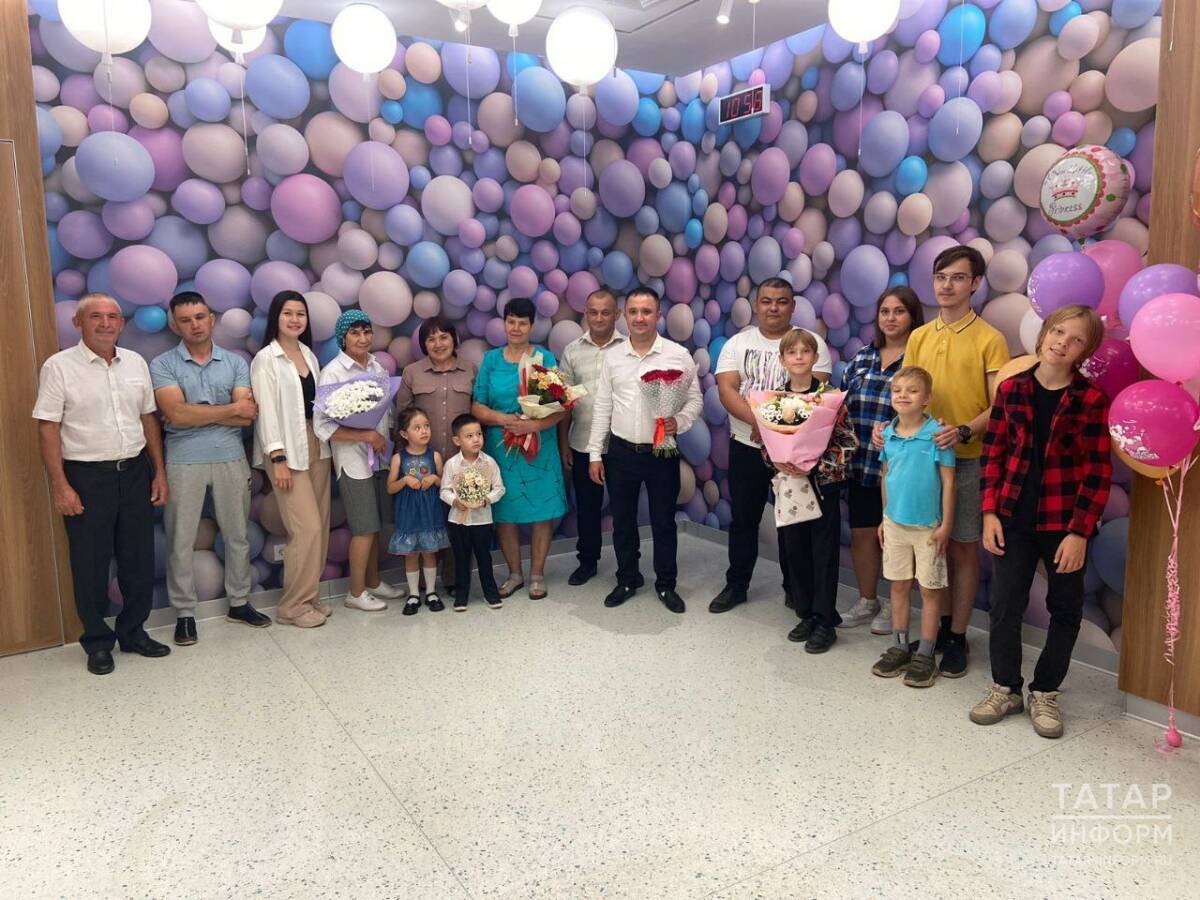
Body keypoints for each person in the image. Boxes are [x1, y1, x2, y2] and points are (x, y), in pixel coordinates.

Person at [971, 306, 1110, 739]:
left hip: (1064, 523)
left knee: (1065, 608)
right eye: (1058, 332)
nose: (1062, 343)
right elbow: (993, 454)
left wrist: (1079, 532)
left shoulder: (1090, 399)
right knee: (1005, 605)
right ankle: (1005, 687)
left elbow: (1097, 471)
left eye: (1076, 339)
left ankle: (1045, 691)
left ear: (1085, 351)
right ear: (1045, 333)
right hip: (1012, 517)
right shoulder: (1011, 390)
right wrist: (989, 512)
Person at [880, 245, 1010, 677]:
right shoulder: (919, 337)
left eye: (957, 277)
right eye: (940, 277)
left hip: (966, 459)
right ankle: (928, 635)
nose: (947, 285)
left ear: (976, 283)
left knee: (962, 547)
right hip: (917, 460)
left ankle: (956, 636)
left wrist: (965, 430)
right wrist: (889, 428)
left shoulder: (990, 339)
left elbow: (999, 406)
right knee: (928, 547)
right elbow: (908, 392)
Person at [33, 293, 171, 675]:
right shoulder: (59, 367)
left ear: (121, 324)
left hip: (135, 472)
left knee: (138, 559)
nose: (106, 323)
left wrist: (159, 472)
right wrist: (60, 485)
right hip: (86, 477)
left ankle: (133, 632)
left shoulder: (136, 363)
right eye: (96, 316)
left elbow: (148, 419)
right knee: (90, 564)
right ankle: (96, 641)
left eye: (112, 317)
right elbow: (48, 428)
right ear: (78, 323)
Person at [151, 291, 270, 647]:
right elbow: (175, 413)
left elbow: (247, 414)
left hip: (230, 457)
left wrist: (195, 412)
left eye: (200, 317)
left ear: (212, 319)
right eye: (185, 320)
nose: (195, 325)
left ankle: (239, 603)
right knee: (180, 539)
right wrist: (227, 410)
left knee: (237, 535)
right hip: (182, 460)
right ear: (175, 325)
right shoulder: (163, 364)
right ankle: (185, 615)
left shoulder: (234, 363)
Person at [710, 277, 831, 614]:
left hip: (793, 453)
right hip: (746, 446)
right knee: (743, 519)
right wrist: (760, 425)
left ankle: (795, 590)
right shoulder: (738, 343)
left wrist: (773, 432)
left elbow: (816, 394)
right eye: (766, 301)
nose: (773, 308)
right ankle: (737, 585)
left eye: (781, 301)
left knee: (792, 523)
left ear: (792, 306)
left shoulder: (811, 343)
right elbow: (727, 390)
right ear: (756, 305)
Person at [587, 287, 702, 614]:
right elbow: (603, 407)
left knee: (663, 521)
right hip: (621, 452)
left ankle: (666, 584)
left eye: (646, 311)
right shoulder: (613, 357)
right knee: (622, 521)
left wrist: (679, 422)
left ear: (658, 316)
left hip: (662, 452)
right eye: (634, 312)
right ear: (625, 316)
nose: (640, 318)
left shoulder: (677, 355)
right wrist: (595, 454)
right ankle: (627, 578)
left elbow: (695, 399)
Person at [471, 297, 568, 600]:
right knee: (505, 511)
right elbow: (477, 406)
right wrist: (505, 419)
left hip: (540, 447)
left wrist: (534, 425)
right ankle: (514, 574)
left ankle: (537, 574)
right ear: (504, 323)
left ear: (531, 326)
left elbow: (561, 408)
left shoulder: (545, 358)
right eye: (511, 321)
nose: (515, 328)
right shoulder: (491, 360)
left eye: (522, 323)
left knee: (542, 510)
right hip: (501, 448)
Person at [840, 287, 924, 635]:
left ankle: (895, 602)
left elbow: (927, 410)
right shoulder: (863, 356)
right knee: (862, 533)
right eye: (885, 311)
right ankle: (867, 599)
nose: (890, 318)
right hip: (862, 462)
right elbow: (842, 403)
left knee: (897, 537)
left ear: (913, 317)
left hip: (901, 468)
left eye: (899, 311)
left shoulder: (919, 360)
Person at [312, 310, 405, 612]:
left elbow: (386, 412)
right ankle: (355, 592)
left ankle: (373, 582)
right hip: (353, 462)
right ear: (343, 338)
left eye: (366, 332)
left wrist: (388, 438)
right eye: (355, 333)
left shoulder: (378, 367)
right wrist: (365, 435)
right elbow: (322, 427)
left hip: (380, 458)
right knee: (363, 528)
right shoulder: (333, 372)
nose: (362, 339)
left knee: (376, 527)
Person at [772, 329, 857, 652]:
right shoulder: (774, 400)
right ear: (782, 359)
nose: (798, 357)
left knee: (823, 553)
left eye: (805, 352)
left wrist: (817, 466)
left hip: (823, 486)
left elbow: (848, 442)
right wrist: (777, 461)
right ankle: (806, 612)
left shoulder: (830, 398)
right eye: (791, 352)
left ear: (815, 358)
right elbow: (767, 440)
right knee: (794, 550)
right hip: (790, 487)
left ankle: (824, 620)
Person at [251, 290, 332, 629]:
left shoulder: (308, 354)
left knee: (320, 527)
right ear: (276, 317)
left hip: (317, 445)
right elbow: (266, 412)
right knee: (305, 529)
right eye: (288, 313)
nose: (295, 319)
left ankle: (309, 596)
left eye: (300, 314)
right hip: (286, 451)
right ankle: (292, 606)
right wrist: (277, 457)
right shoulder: (266, 359)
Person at [871, 366, 956, 688]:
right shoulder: (888, 435)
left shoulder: (938, 436)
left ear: (927, 399)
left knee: (930, 591)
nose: (903, 395)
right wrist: (884, 517)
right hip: (894, 525)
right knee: (898, 587)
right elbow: (886, 476)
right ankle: (899, 646)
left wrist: (946, 525)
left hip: (928, 529)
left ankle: (925, 653)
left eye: (912, 390)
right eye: (897, 390)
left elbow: (949, 483)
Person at [396, 317, 477, 591]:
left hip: (461, 464)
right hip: (422, 467)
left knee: (460, 523)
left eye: (444, 337)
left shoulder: (470, 370)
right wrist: (404, 462)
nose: (438, 343)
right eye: (431, 339)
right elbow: (402, 418)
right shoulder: (412, 373)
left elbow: (478, 417)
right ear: (423, 344)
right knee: (425, 521)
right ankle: (423, 583)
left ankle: (455, 580)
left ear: (454, 339)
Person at [557, 287, 627, 586]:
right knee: (587, 508)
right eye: (593, 312)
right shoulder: (572, 351)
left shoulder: (628, 349)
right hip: (583, 442)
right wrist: (564, 444)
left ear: (617, 315)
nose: (599, 318)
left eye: (605, 312)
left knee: (624, 509)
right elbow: (565, 403)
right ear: (585, 314)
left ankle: (627, 567)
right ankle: (587, 562)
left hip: (622, 445)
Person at [440, 413, 506, 611]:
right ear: (457, 440)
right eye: (469, 436)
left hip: (482, 520)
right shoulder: (452, 464)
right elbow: (444, 491)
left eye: (479, 434)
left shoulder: (489, 462)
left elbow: (499, 488)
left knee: (485, 557)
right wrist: (455, 501)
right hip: (458, 521)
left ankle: (490, 594)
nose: (476, 439)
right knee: (461, 559)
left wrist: (487, 499)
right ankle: (461, 596)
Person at [387, 407, 448, 615]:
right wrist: (404, 480)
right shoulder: (399, 458)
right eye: (417, 427)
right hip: (408, 514)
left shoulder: (435, 456)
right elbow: (390, 488)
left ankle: (431, 592)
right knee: (411, 555)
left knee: (430, 553)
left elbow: (445, 484)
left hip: (430, 512)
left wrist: (435, 478)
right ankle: (413, 594)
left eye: (427, 426)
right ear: (405, 434)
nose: (424, 431)